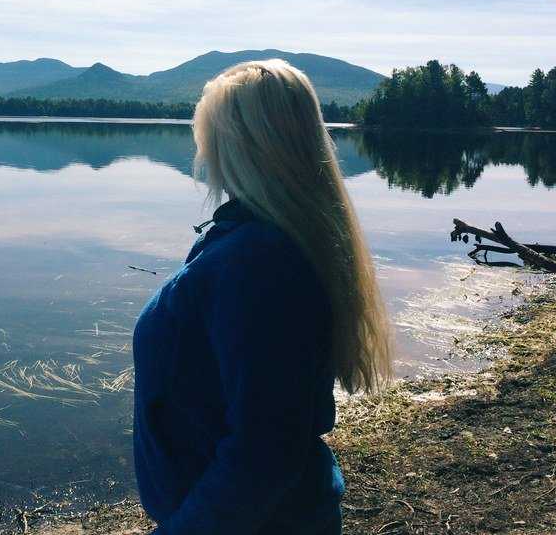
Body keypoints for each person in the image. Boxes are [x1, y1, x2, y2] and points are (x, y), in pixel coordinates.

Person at [132, 59, 392, 535]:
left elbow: (263, 452)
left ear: (240, 146)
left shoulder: (258, 263)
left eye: (208, 136)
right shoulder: (266, 241)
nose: (202, 151)